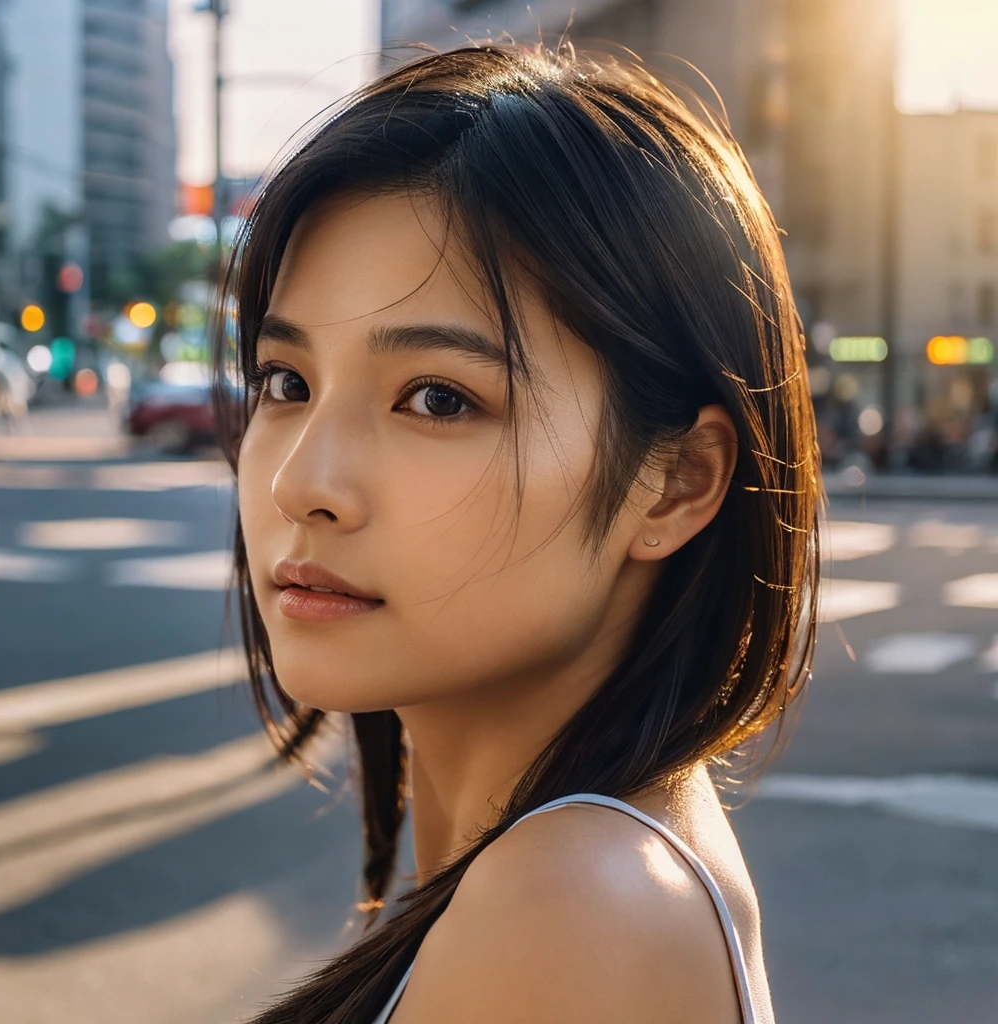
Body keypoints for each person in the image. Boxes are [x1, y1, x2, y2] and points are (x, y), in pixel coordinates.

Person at [213, 42, 820, 1024]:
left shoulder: (575, 906)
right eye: (287, 383)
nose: (301, 482)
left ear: (676, 482)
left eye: (437, 399)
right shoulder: (567, 873)